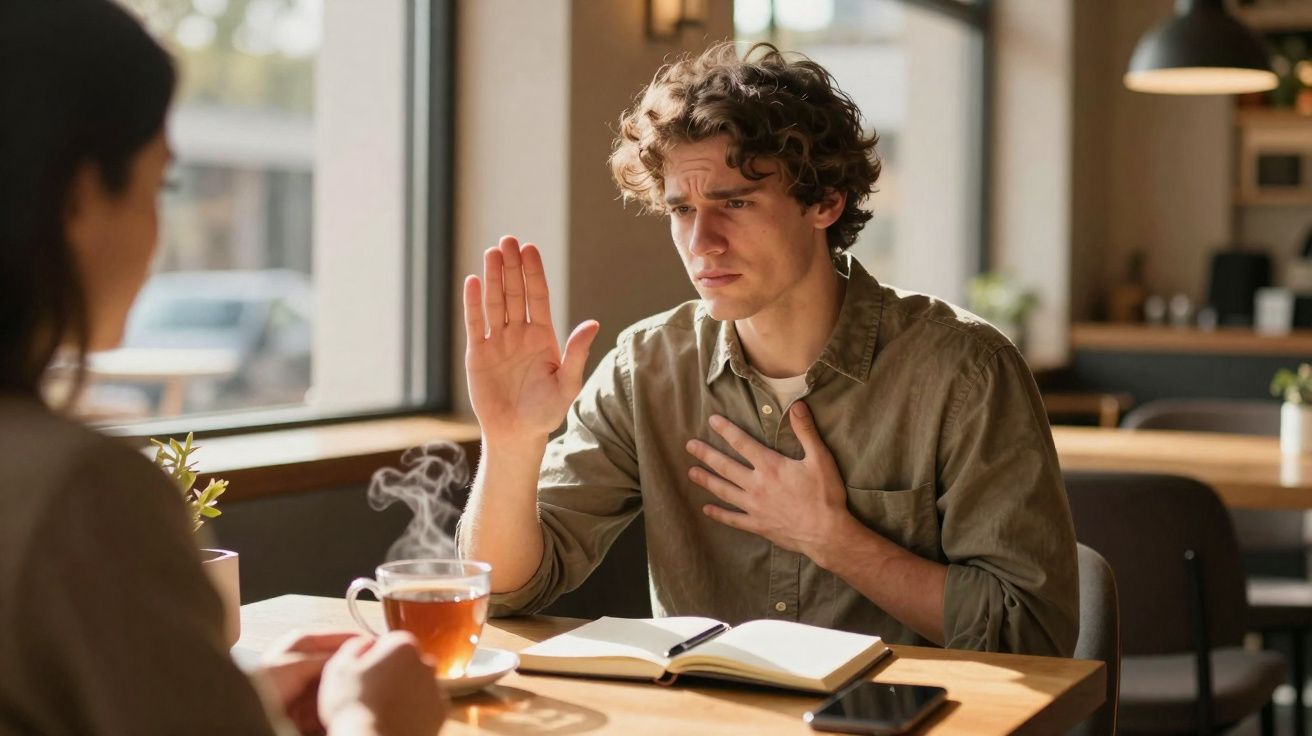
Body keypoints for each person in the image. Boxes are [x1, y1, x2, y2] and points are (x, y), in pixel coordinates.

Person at [458, 42, 1079, 657]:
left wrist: (832, 538)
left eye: (735, 203)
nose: (702, 243)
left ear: (825, 203)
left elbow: (1030, 632)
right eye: (682, 210)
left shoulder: (963, 370)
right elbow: (504, 593)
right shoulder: (646, 368)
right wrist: (511, 444)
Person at [0, 1, 446, 734]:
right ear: (80, 194)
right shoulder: (80, 494)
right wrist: (375, 721)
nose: (158, 232)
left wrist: (228, 698)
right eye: (159, 186)